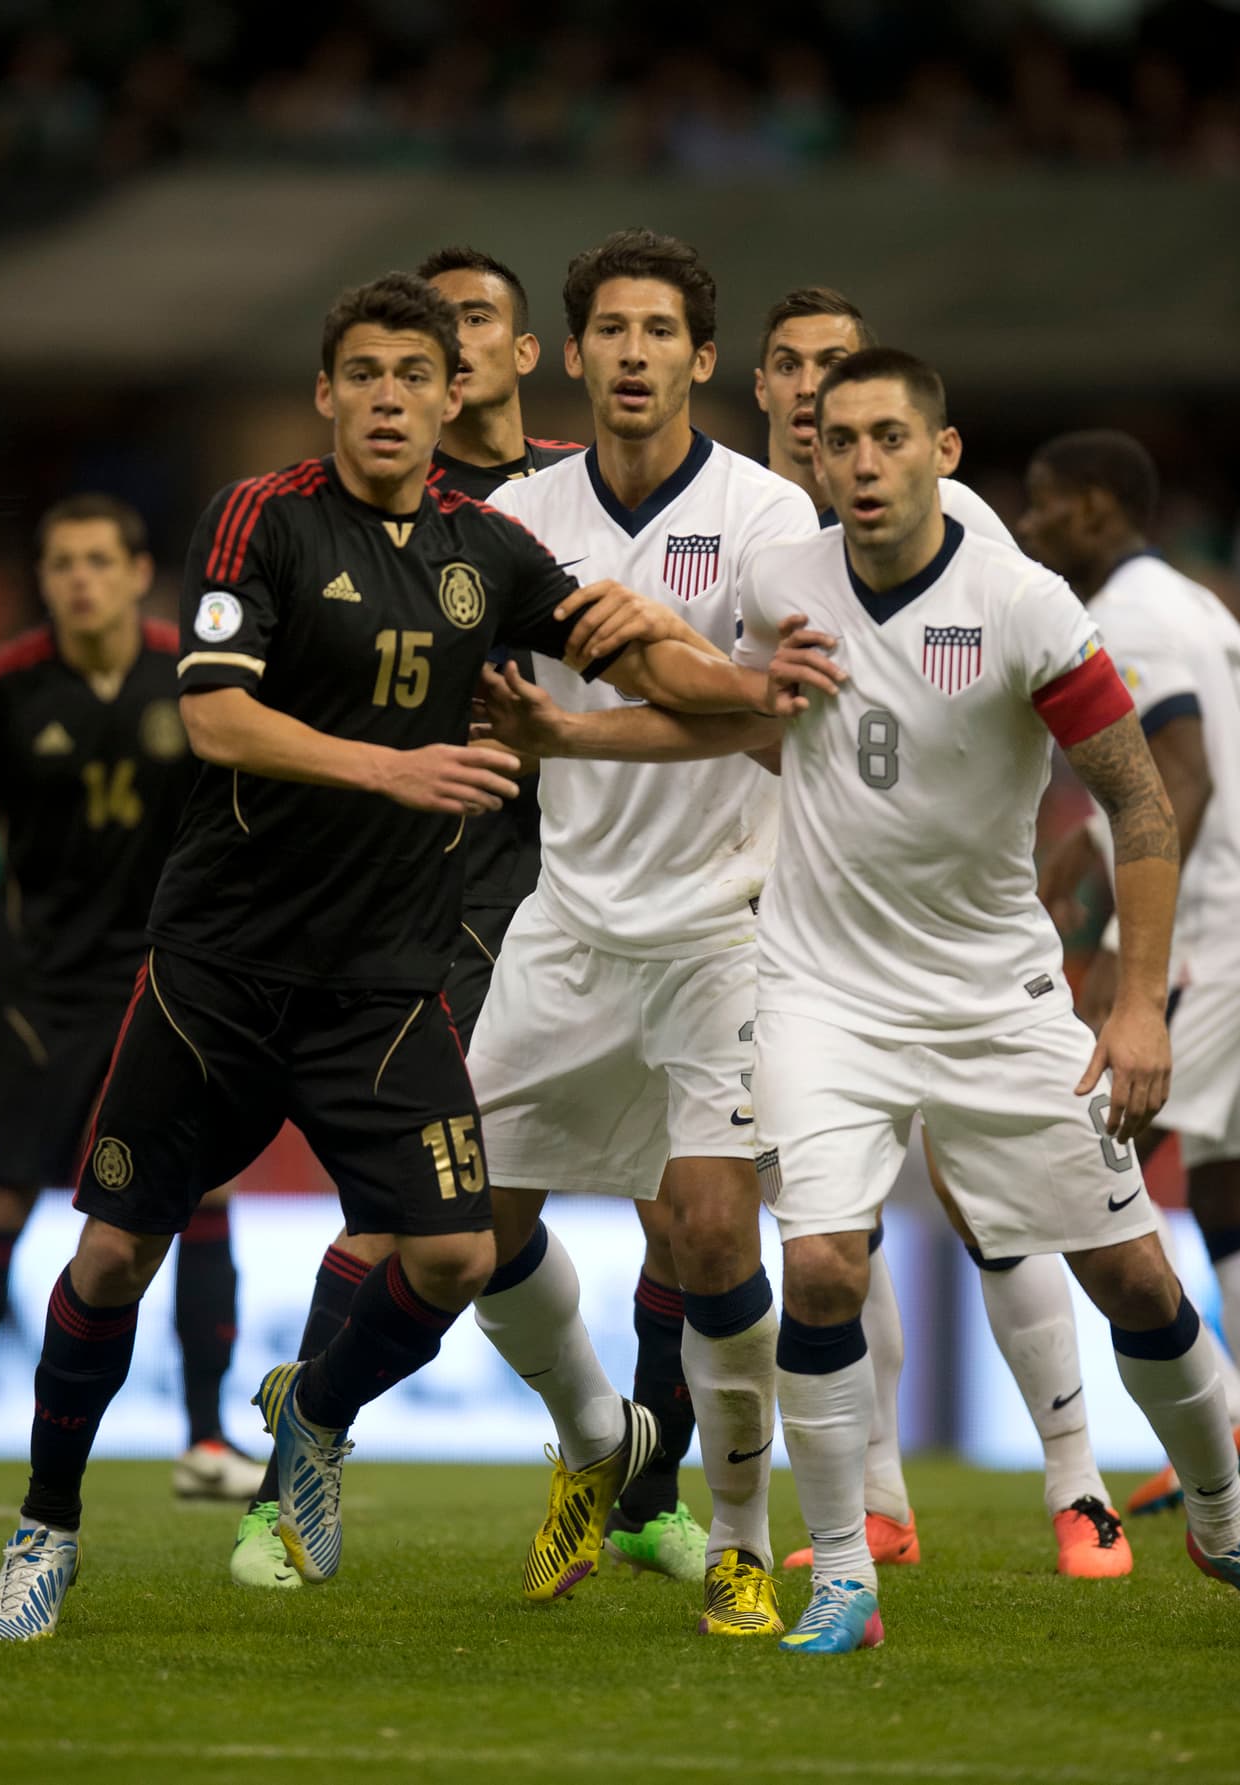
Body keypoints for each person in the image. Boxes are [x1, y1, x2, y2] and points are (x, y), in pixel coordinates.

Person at [0, 270, 797, 1643]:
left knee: (457, 1253)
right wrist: (390, 769)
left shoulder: (495, 553)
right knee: (115, 1255)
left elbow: (644, 663)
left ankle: (313, 1414)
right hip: (217, 974)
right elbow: (219, 719)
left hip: (379, 985)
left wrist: (765, 696)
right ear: (327, 393)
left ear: (451, 394)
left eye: (414, 376)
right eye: (363, 374)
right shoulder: (267, 518)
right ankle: (46, 1530)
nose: (389, 398)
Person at [733, 345, 1240, 1653]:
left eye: (889, 439)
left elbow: (1140, 797)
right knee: (819, 1267)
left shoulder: (1024, 605)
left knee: (1134, 1277)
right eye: (839, 441)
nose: (862, 462)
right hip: (823, 994)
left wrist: (1135, 1010)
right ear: (817, 457)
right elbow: (752, 728)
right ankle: (845, 1577)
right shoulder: (777, 581)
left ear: (943, 453)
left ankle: (1224, 1515)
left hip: (999, 995)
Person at [229, 247, 710, 1590]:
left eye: (470, 326)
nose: (446, 351)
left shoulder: (568, 496)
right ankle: (347, 1467)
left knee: (676, 1217)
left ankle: (633, 1477)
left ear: (507, 358)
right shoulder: (397, 508)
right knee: (451, 1200)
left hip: (613, 878)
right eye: (418, 341)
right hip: (454, 875)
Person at [464, 228, 823, 1638]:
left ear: (699, 357)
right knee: (462, 1231)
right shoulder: (518, 516)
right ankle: (596, 1435)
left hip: (723, 925)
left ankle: (741, 1538)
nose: (632, 352)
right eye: (609, 329)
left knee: (717, 1229)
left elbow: (771, 711)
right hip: (565, 920)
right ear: (573, 351)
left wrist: (595, 710)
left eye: (658, 331)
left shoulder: (769, 516)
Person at [757, 286, 1134, 1581]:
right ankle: (874, 1500)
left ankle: (1077, 1483)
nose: (821, 393)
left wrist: (1069, 910)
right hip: (785, 928)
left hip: (955, 948)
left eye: (843, 370)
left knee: (996, 1210)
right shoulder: (748, 534)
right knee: (826, 1238)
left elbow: (1009, 725)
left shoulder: (951, 530)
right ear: (766, 392)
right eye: (798, 369)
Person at [0, 494, 261, 1502]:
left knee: (202, 1192)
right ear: (42, 579)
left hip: (166, 984)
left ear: (140, 570)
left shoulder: (188, 677)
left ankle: (206, 1438)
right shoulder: (2, 691)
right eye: (62, 563)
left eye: (99, 560)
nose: (80, 579)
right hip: (39, 999)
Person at [1020, 428, 1240, 1512]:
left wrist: (1126, 961)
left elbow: (1183, 779)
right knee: (1225, 1185)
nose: (1029, 525)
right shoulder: (1191, 601)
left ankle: (1227, 1410)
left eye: (1047, 504)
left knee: (1081, 1174)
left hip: (1209, 933)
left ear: (1101, 508)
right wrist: (1079, 847)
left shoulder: (1125, 615)